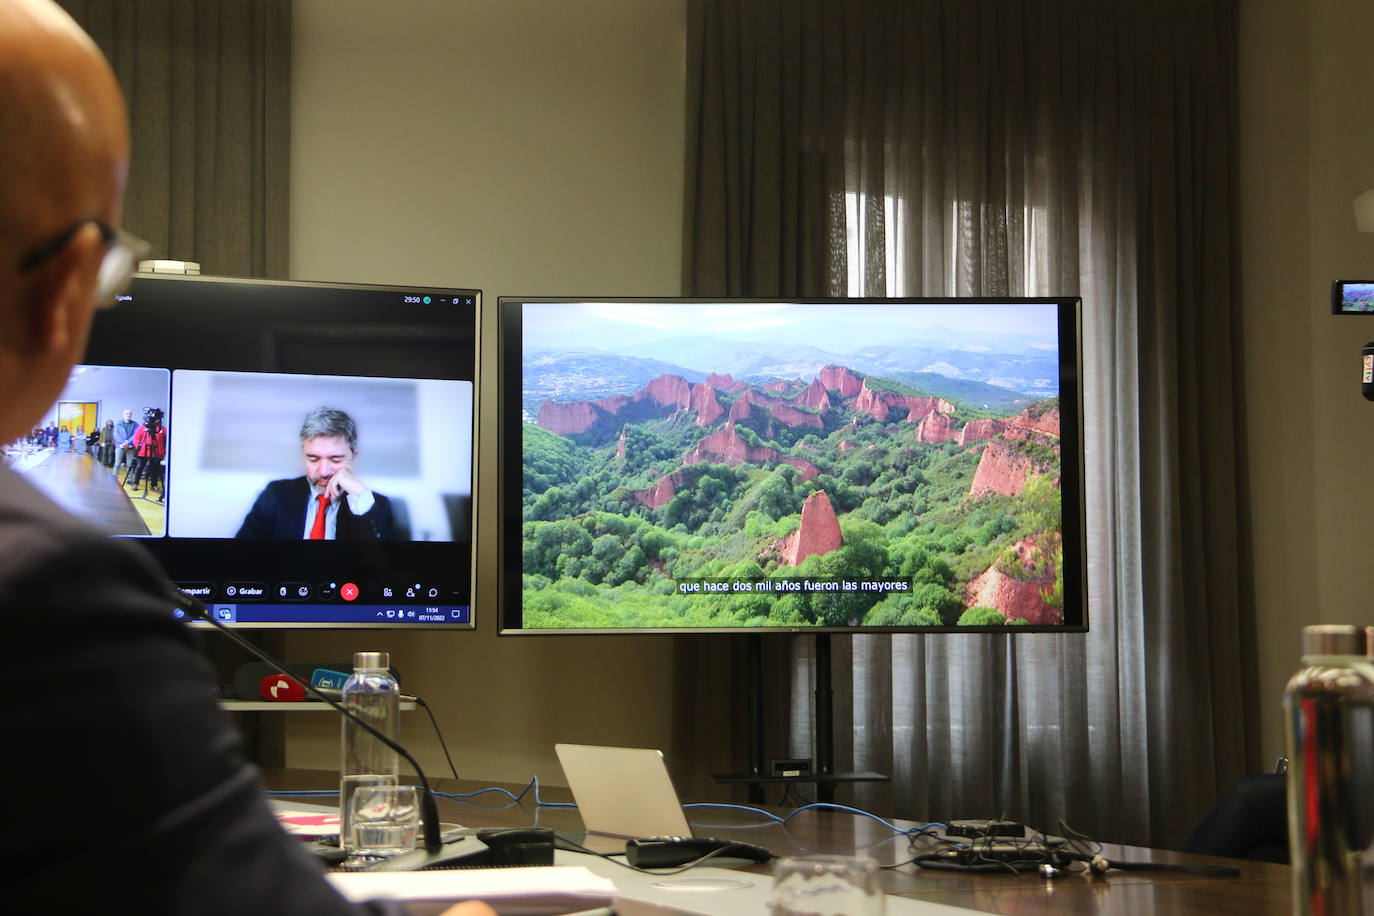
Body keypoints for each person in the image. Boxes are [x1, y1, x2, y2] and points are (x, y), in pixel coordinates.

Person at [0, 4, 490, 914]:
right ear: (69, 284)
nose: (316, 467)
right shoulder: (51, 592)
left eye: (329, 455)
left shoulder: (381, 509)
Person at [236, 406, 397, 540]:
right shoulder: (275, 495)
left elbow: (388, 565)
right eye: (313, 459)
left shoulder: (376, 505)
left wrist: (360, 495)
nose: (324, 472)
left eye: (335, 459)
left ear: (354, 456)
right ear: (303, 453)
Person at [113, 406, 138, 478]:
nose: (129, 415)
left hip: (130, 446)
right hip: (120, 446)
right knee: (117, 463)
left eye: (130, 413)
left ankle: (129, 479)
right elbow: (116, 435)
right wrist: (123, 443)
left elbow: (136, 434)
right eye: (127, 413)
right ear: (123, 415)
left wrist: (128, 442)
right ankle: (115, 478)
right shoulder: (118, 424)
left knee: (129, 464)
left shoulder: (135, 424)